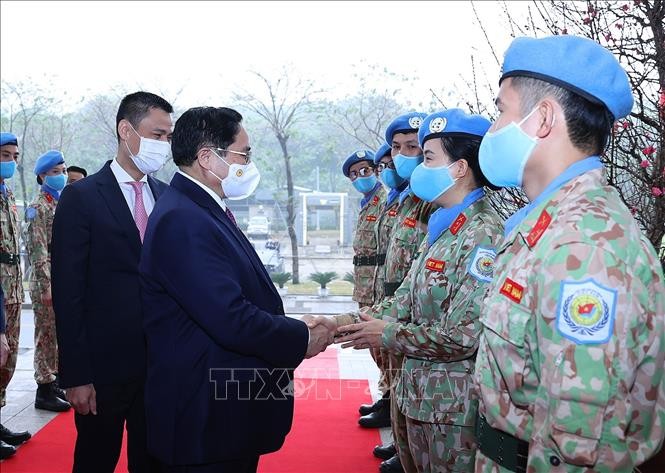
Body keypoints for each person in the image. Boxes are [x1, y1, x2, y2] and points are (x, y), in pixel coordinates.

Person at [474, 35, 665, 472]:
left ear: (542, 118)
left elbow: (576, 449)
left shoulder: (586, 248)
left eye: (501, 110)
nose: (493, 127)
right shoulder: (549, 229)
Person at [139, 106, 331, 473]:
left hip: (224, 410)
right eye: (244, 154)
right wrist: (302, 335)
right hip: (205, 418)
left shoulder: (203, 209)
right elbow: (231, 318)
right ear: (208, 158)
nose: (249, 164)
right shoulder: (183, 219)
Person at [334, 109, 504, 472]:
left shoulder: (482, 235)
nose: (417, 167)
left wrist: (388, 334)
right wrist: (338, 325)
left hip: (453, 409)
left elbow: (464, 336)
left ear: (459, 168)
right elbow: (403, 299)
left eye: (427, 157)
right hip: (417, 399)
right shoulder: (443, 227)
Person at [51, 91, 174, 473]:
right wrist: (76, 374)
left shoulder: (168, 196)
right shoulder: (81, 197)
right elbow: (68, 293)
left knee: (154, 460)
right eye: (157, 135)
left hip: (159, 367)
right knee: (95, 459)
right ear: (126, 130)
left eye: (168, 137)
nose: (164, 146)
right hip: (101, 369)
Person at [26, 150, 71, 412]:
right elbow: (38, 250)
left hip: (62, 277)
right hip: (47, 281)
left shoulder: (59, 202)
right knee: (45, 335)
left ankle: (53, 383)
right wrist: (46, 285)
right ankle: (43, 390)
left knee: (57, 334)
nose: (61, 176)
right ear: (42, 175)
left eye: (63, 171)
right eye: (56, 172)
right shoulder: (37, 207)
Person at [0, 132, 32, 459]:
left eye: (14, 156)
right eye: (5, 155)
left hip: (11, 283)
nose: (11, 161)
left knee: (6, 359)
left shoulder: (6, 193)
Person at [343, 149, 385, 309]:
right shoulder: (366, 204)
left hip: (377, 285)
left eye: (364, 170)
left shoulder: (386, 202)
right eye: (353, 174)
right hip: (364, 283)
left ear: (376, 171)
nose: (359, 177)